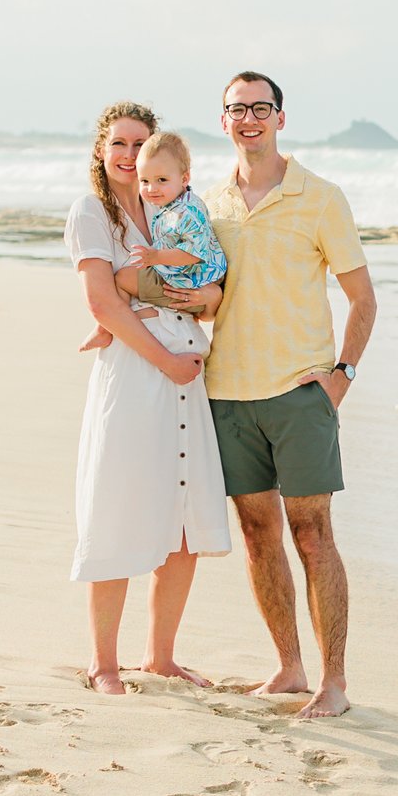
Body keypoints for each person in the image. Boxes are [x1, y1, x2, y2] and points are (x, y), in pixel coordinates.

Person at [179, 70, 374, 719]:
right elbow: (205, 296)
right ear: (225, 119)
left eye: (261, 107)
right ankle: (290, 667)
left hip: (299, 395)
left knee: (313, 534)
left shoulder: (320, 197)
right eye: (238, 109)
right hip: (228, 396)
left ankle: (334, 681)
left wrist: (341, 373)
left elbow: (362, 298)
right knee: (259, 534)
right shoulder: (205, 204)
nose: (249, 119)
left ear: (281, 118)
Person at [64, 102, 230, 695]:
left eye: (142, 145)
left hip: (185, 376)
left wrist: (186, 303)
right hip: (138, 378)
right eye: (121, 145)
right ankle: (103, 664)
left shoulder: (172, 211)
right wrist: (164, 359)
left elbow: (212, 292)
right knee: (117, 510)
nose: (132, 157)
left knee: (181, 520)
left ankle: (160, 657)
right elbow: (103, 303)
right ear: (101, 152)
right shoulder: (93, 214)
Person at [79, 130, 225, 352]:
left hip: (191, 279)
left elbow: (194, 253)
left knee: (123, 278)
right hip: (190, 279)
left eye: (161, 180)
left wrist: (156, 257)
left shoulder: (186, 212)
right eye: (144, 181)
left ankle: (104, 329)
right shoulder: (171, 204)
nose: (151, 188)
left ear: (185, 178)